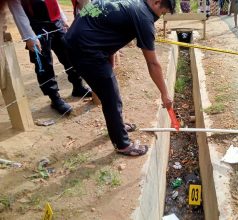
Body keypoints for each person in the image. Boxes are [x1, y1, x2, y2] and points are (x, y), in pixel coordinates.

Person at [64, 0, 175, 156]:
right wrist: (165, 93)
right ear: (157, 3)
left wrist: (109, 53)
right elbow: (152, 63)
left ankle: (118, 126)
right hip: (85, 49)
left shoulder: (133, 4)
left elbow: (105, 26)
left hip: (81, 40)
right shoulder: (144, 17)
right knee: (111, 96)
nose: (160, 18)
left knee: (109, 93)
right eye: (162, 13)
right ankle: (122, 144)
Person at [8, 0, 91, 115]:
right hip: (37, 27)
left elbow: (54, 2)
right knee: (44, 63)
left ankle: (78, 86)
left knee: (69, 54)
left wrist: (62, 19)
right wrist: (28, 36)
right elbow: (17, 11)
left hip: (56, 23)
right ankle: (55, 98)